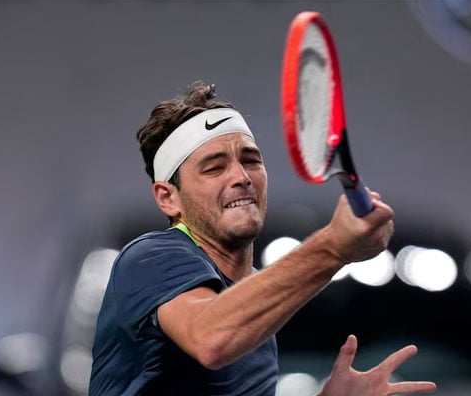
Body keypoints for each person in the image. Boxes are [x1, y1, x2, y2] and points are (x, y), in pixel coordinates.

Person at [89, 82, 436, 395]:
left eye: (250, 160)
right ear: (168, 197)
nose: (241, 176)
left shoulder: (255, 316)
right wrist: (333, 246)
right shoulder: (149, 258)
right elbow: (212, 340)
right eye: (214, 167)